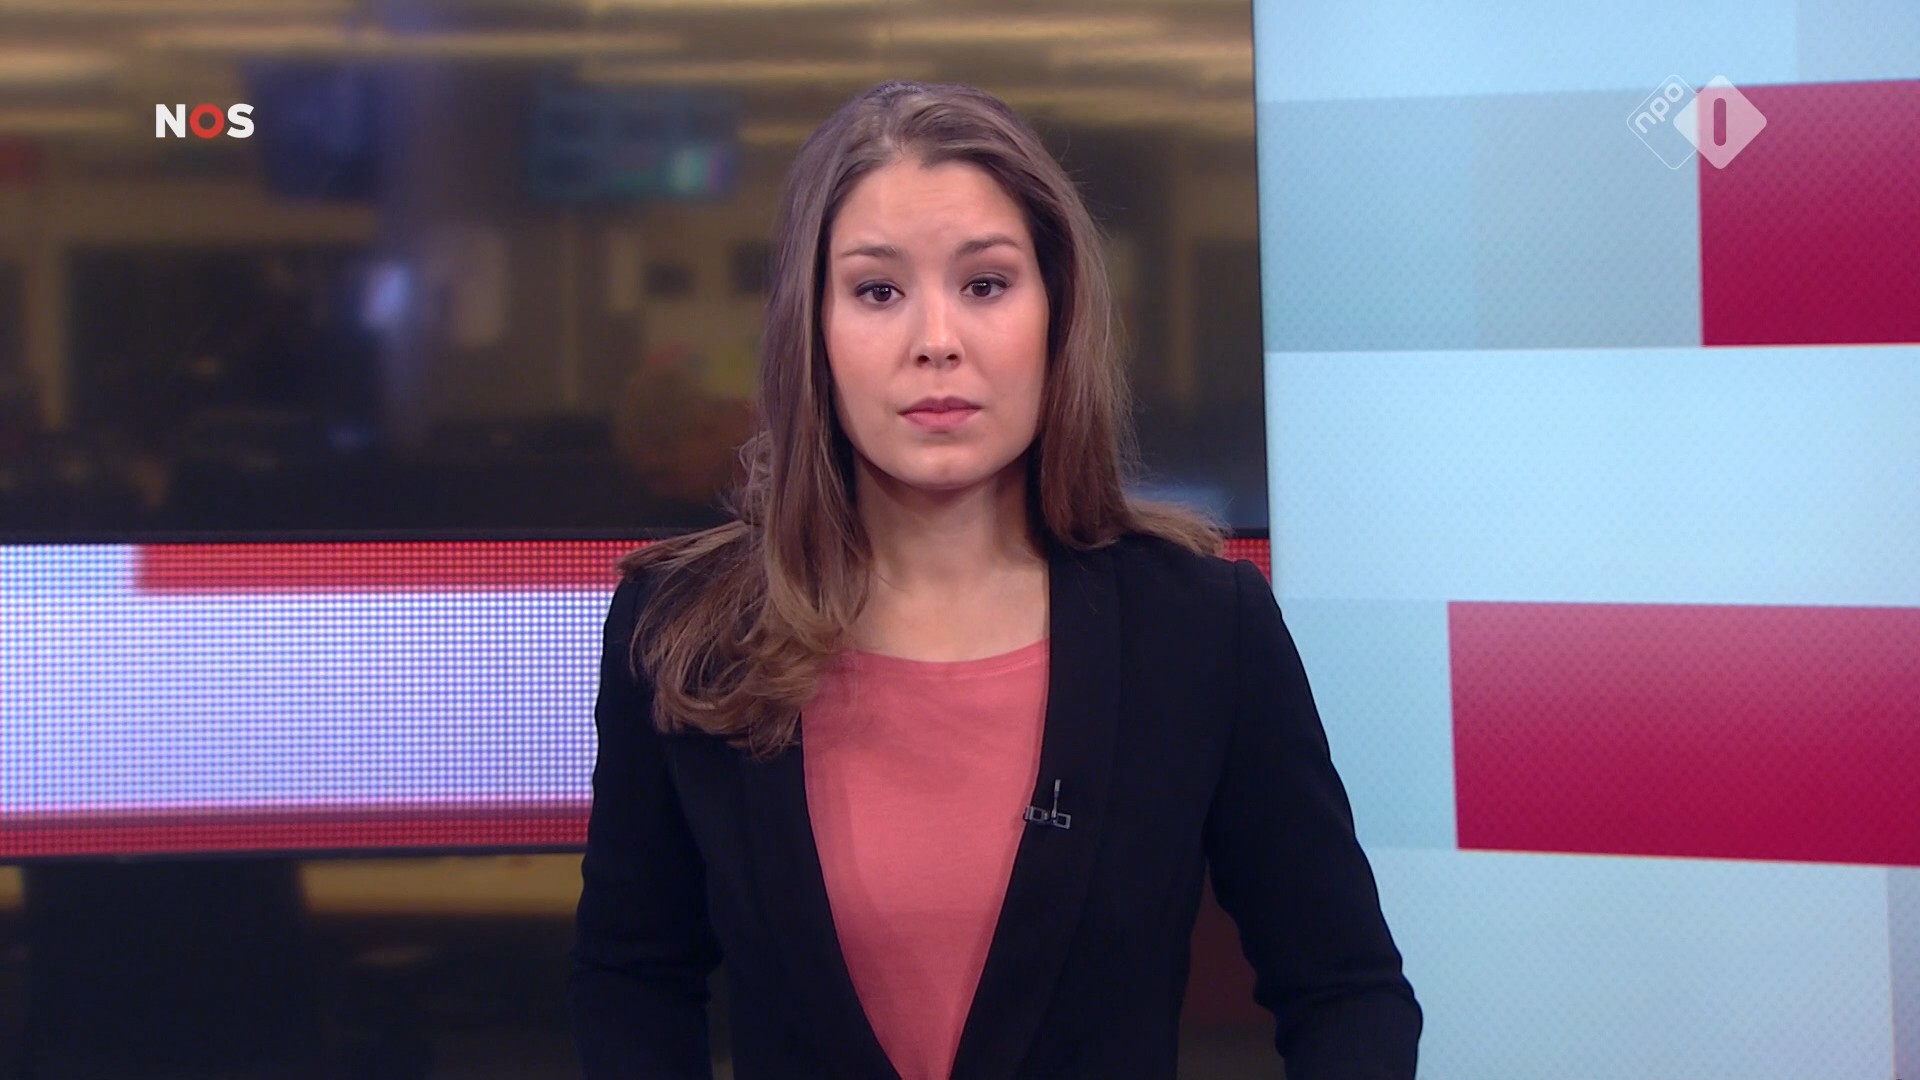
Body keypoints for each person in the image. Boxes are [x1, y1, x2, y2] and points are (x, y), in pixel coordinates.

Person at [568, 80, 1420, 1080]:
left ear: (1056, 312)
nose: (937, 340)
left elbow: (1346, 992)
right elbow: (635, 979)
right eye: (877, 291)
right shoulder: (684, 632)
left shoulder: (1199, 629)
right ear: (812, 330)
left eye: (985, 285)